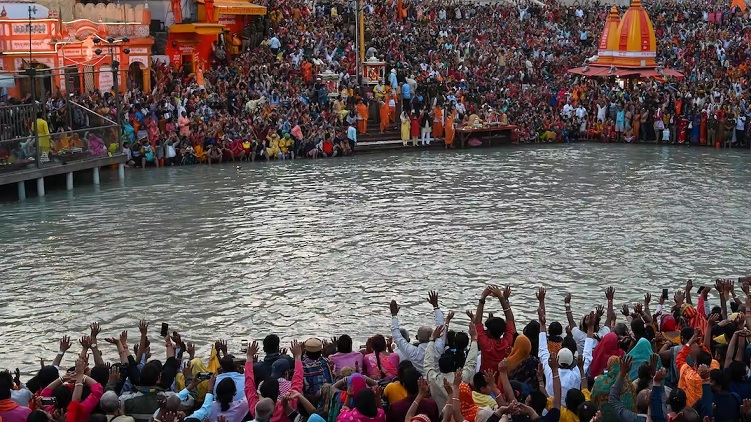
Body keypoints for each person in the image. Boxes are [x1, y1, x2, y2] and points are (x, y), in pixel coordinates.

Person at [389, 291, 446, 375]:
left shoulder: (413, 352)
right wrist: (435, 306)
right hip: (437, 382)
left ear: (417, 338)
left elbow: (398, 337)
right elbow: (441, 326)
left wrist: (394, 315)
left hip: (420, 383)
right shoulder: (438, 348)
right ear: (434, 335)